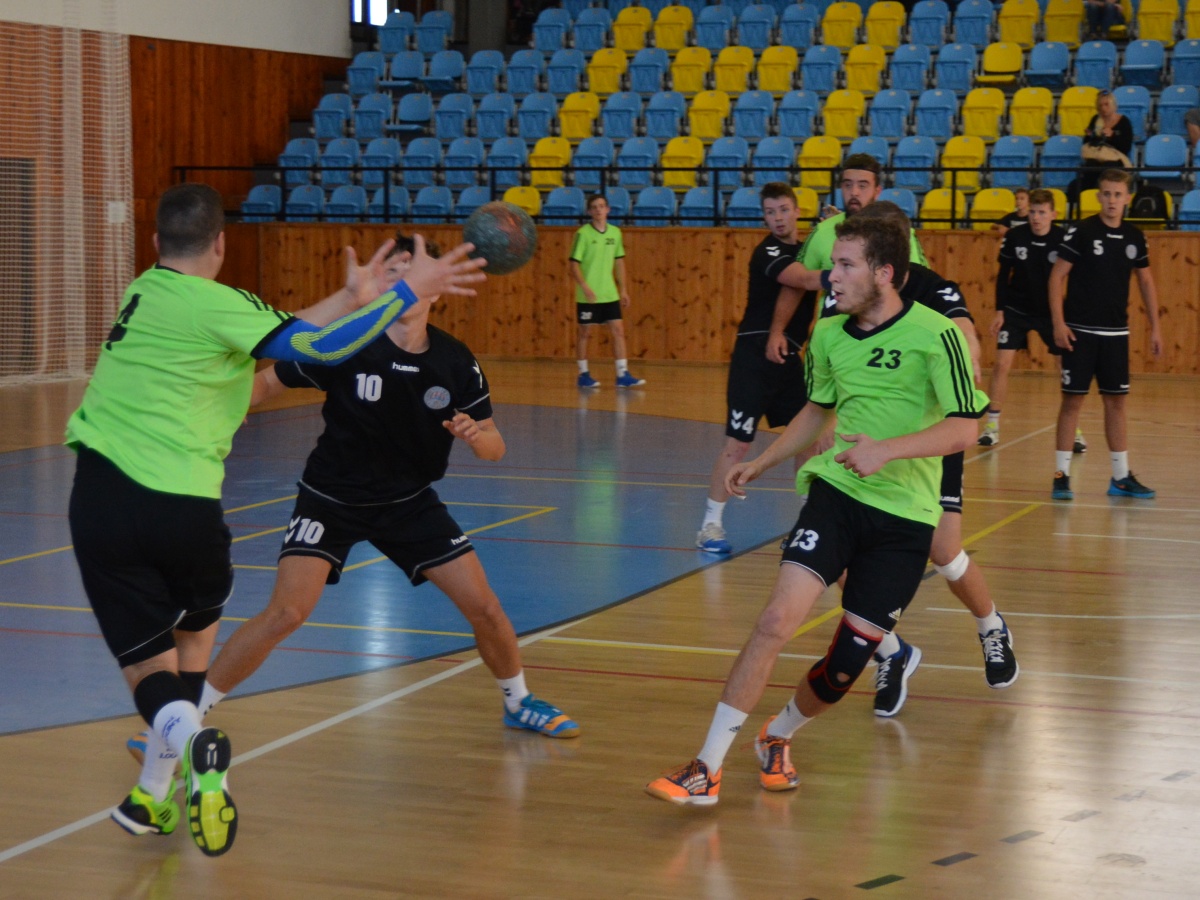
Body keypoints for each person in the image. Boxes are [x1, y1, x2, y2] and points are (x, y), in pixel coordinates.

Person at [66, 183, 484, 855]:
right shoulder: (223, 305)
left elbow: (291, 335)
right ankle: (153, 797)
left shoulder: (141, 293)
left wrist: (356, 298)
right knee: (193, 643)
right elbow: (308, 349)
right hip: (192, 515)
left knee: (150, 672)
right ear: (223, 244)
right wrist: (402, 293)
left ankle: (193, 747)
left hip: (106, 501)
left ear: (154, 244)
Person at [196, 234, 579, 765]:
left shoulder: (454, 361)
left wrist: (474, 432)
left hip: (409, 503)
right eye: (394, 272)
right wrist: (215, 414)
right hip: (330, 498)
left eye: (413, 271)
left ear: (437, 288)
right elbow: (262, 385)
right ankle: (188, 713)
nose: (403, 281)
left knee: (485, 607)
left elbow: (495, 447)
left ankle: (518, 702)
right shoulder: (348, 343)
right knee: (285, 613)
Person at [646, 215, 988, 806]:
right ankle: (706, 765)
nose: (832, 274)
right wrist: (763, 462)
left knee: (843, 668)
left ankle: (777, 735)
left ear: (884, 273)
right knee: (777, 620)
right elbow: (815, 410)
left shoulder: (939, 334)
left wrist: (886, 451)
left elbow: (967, 426)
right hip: (836, 498)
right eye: (832, 262)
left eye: (847, 264)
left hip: (906, 518)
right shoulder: (828, 333)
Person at [828, 202, 1019, 714]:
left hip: (925, 441)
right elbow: (829, 360)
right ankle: (891, 651)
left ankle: (990, 625)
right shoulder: (844, 293)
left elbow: (967, 340)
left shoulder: (933, 289)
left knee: (943, 550)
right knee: (834, 556)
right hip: (864, 443)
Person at [695, 183, 822, 555]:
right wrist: (846, 269)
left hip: (790, 358)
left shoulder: (809, 249)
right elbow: (802, 280)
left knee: (808, 440)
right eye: (770, 212)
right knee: (739, 443)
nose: (778, 218)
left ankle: (807, 525)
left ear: (797, 211)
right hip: (754, 354)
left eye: (783, 210)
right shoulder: (767, 250)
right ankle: (710, 525)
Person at [1049, 168, 1162, 501]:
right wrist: (1058, 323)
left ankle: (1120, 477)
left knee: (1117, 403)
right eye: (1107, 194)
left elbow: (1146, 282)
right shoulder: (1082, 231)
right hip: (1080, 333)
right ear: (1099, 196)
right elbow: (1056, 278)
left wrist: (1156, 326)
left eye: (1118, 194)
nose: (1112, 200)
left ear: (1128, 198)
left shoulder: (1134, 236)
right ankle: (1060, 476)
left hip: (1116, 334)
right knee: (1072, 403)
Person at [979, 188, 1075, 450]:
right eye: (1032, 212)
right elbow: (1003, 276)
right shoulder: (1015, 237)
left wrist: (1066, 317)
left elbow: (1074, 278)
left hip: (1051, 313)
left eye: (1042, 212)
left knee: (1065, 368)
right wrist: (1000, 311)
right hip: (1016, 310)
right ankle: (992, 426)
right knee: (1001, 365)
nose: (1036, 217)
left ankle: (1074, 430)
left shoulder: (1063, 238)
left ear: (1053, 214)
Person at [569, 194, 645, 388]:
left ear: (608, 209)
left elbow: (619, 262)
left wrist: (624, 289)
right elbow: (573, 265)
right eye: (594, 207)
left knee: (618, 331)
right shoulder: (583, 234)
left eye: (602, 206)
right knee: (585, 332)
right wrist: (585, 287)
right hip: (588, 296)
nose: (598, 210)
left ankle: (622, 374)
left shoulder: (615, 233)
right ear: (589, 211)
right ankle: (583, 374)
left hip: (609, 293)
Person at [1075, 90, 1134, 197]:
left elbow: (1126, 147)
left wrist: (1112, 136)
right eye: (1100, 105)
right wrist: (1089, 136)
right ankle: (1086, 201)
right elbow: (1088, 144)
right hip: (1096, 157)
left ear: (1113, 105)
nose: (1103, 108)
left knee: (1108, 168)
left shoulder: (1124, 121)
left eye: (1106, 104)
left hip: (1115, 159)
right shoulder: (1095, 120)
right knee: (1088, 169)